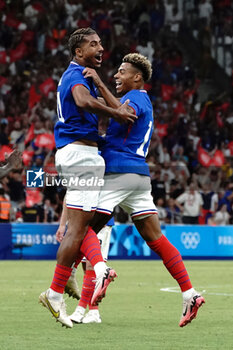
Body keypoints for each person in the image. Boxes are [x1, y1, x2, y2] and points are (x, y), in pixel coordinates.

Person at [60, 53, 205, 327]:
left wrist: (99, 84)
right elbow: (110, 107)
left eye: (122, 72)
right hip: (138, 178)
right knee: (157, 240)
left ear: (137, 78)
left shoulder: (138, 96)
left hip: (119, 171)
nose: (116, 75)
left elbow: (124, 115)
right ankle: (190, 293)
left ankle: (92, 271)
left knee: (82, 228)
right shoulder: (135, 98)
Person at [39, 27, 137, 328]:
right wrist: (115, 114)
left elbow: (94, 103)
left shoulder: (86, 76)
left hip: (85, 155)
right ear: (78, 51)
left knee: (85, 223)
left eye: (101, 43)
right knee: (79, 227)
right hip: (79, 155)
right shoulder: (74, 76)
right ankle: (59, 288)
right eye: (93, 44)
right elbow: (81, 101)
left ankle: (83, 274)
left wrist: (107, 102)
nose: (100, 47)